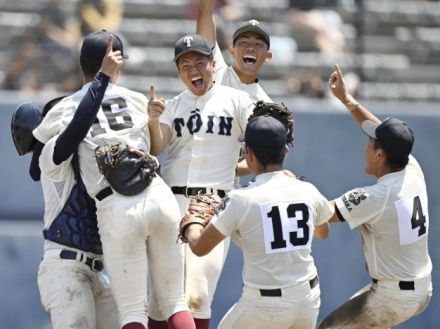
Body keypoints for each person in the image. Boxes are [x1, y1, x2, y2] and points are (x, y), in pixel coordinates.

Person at [33, 30, 195, 329]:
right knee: (175, 302)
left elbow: (57, 136)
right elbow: (156, 148)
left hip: (117, 205)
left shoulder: (66, 108)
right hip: (158, 195)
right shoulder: (134, 99)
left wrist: (101, 81)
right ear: (116, 65)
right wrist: (152, 120)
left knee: (133, 312)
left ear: (81, 63)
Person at [180, 114, 333, 329]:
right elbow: (323, 232)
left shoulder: (241, 199)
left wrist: (191, 223)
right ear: (285, 151)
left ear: (249, 154)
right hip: (308, 299)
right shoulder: (306, 189)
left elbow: (199, 247)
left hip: (264, 305)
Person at [147, 33, 255, 329]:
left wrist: (238, 169)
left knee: (197, 294)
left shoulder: (237, 100)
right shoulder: (174, 105)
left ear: (212, 63)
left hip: (213, 205)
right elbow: (158, 147)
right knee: (159, 298)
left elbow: (264, 144)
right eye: (185, 65)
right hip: (171, 203)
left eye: (199, 61)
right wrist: (154, 122)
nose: (193, 69)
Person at [317, 65, 433, 328]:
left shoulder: (377, 196)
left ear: (380, 155)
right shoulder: (411, 166)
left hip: (393, 295)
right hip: (421, 285)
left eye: (370, 143)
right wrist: (347, 100)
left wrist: (291, 185)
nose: (365, 146)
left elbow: (322, 211)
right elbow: (384, 132)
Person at [11, 51, 121, 328]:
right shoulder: (51, 156)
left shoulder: (83, 161)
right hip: (66, 268)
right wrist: (102, 79)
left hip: (96, 269)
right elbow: (76, 128)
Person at [196, 0, 273, 102]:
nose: (250, 48)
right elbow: (205, 12)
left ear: (267, 57)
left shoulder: (266, 106)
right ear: (232, 51)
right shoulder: (216, 71)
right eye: (243, 42)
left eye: (258, 44)